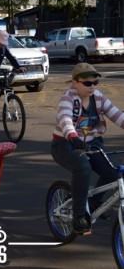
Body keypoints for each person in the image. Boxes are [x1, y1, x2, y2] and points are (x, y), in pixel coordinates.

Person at [51, 62, 124, 235]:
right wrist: (73, 137)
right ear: (75, 82)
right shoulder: (67, 98)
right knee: (82, 167)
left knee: (114, 172)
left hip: (91, 143)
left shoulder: (98, 97)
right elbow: (66, 119)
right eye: (87, 83)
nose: (92, 87)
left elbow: (118, 115)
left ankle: (94, 202)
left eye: (95, 83)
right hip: (65, 144)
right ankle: (78, 216)